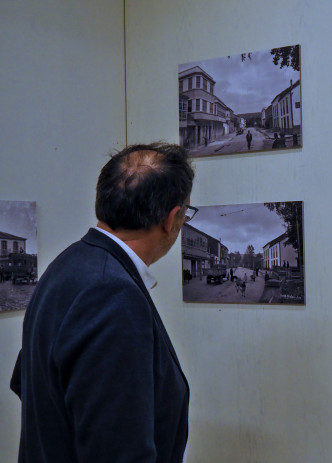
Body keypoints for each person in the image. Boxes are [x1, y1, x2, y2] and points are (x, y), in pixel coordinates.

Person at [10, 143, 194, 462]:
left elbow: (26, 382)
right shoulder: (112, 293)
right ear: (172, 218)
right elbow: (119, 448)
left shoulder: (67, 265)